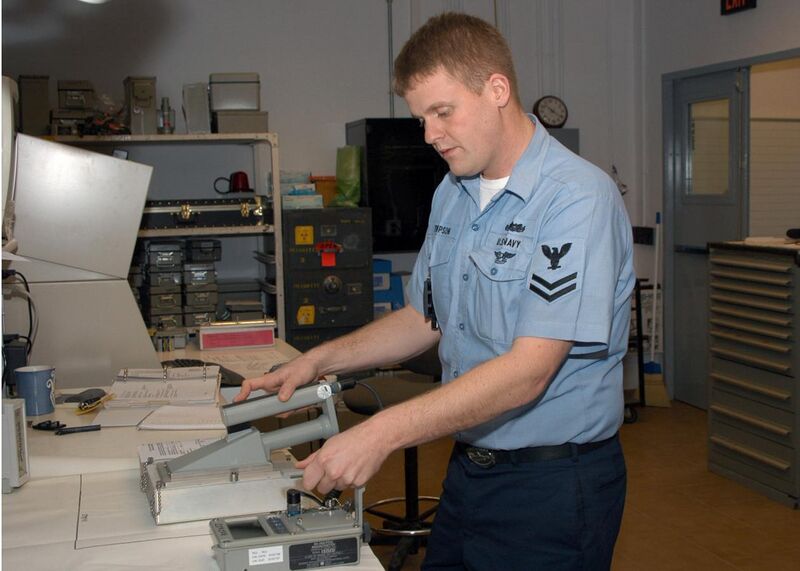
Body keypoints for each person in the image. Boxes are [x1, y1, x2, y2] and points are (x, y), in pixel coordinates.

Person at [237, 11, 634, 570]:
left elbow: (530, 370)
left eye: (442, 112)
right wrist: (317, 361)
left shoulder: (575, 199)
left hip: (553, 486)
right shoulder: (455, 190)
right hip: (471, 469)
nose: (429, 134)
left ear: (497, 89)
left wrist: (381, 433)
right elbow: (424, 317)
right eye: (421, 117)